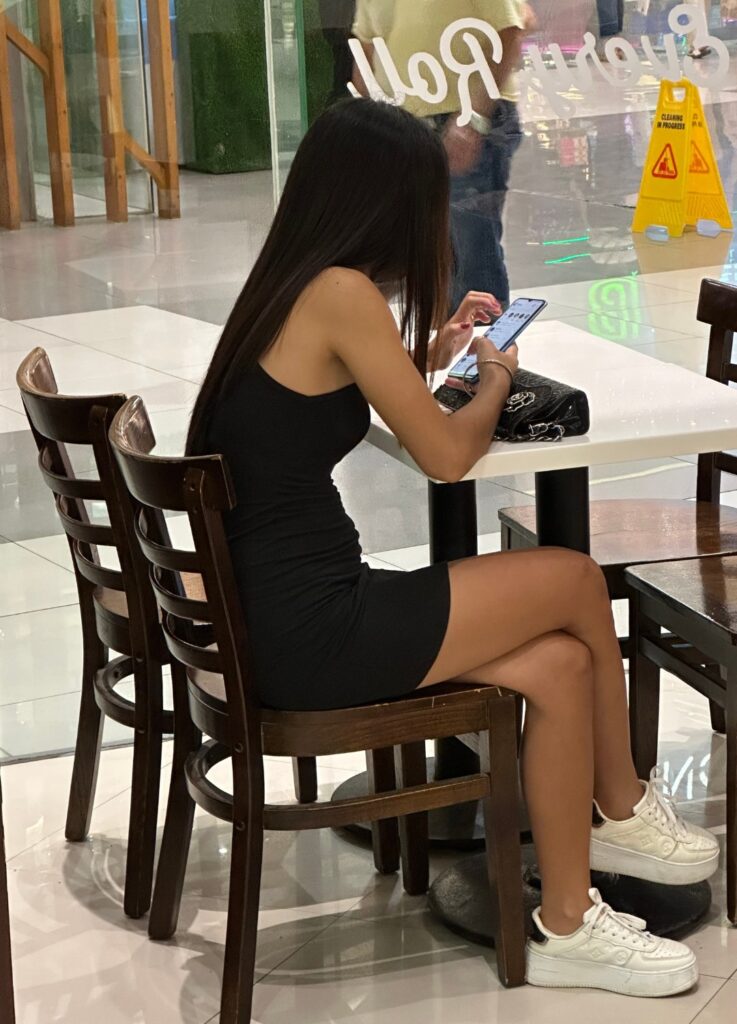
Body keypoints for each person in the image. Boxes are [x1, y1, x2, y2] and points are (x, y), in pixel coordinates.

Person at [188, 98, 717, 996]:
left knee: (556, 665)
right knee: (572, 577)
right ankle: (621, 807)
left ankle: (566, 921)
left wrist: (433, 355)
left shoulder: (291, 283)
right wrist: (498, 374)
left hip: (272, 620)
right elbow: (444, 457)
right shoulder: (341, 294)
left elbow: (336, 391)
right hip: (315, 630)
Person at [352, 0, 531, 310]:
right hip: (403, 122)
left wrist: (473, 118)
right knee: (423, 256)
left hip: (464, 114)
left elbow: (511, 29)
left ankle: (485, 353)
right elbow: (366, 48)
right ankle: (444, 348)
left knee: (468, 251)